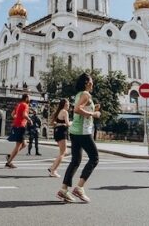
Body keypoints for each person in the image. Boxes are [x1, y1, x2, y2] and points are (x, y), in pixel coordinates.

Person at [56, 73, 100, 203]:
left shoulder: (79, 94)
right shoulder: (86, 94)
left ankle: (63, 190)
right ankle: (79, 188)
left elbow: (80, 108)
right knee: (94, 158)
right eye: (91, 82)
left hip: (75, 131)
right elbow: (77, 109)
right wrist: (93, 113)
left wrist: (93, 109)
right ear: (86, 82)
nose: (93, 84)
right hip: (82, 132)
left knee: (75, 161)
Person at [6, 94, 31, 168]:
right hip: (21, 126)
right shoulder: (25, 105)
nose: (30, 99)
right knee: (18, 145)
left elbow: (12, 114)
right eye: (29, 98)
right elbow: (24, 115)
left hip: (16, 125)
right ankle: (9, 162)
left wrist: (17, 118)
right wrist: (29, 120)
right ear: (26, 98)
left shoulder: (19, 105)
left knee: (24, 144)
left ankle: (10, 156)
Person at [48, 99, 70, 178]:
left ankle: (52, 167)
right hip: (62, 132)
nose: (69, 106)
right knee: (63, 152)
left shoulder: (57, 111)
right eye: (67, 104)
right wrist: (73, 122)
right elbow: (67, 124)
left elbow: (51, 123)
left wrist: (58, 123)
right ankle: (53, 170)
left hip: (57, 131)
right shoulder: (64, 112)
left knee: (64, 151)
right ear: (64, 104)